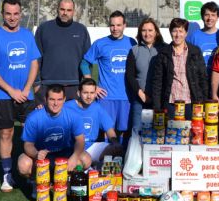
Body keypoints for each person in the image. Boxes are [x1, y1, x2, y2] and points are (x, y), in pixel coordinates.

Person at [0, 0, 40, 193]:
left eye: (16, 14)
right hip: (2, 95)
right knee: (6, 133)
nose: (12, 17)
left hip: (25, 94)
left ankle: (32, 175)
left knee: (32, 134)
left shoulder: (27, 35)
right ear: (3, 14)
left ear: (20, 14)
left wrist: (26, 89)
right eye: (8, 14)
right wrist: (11, 90)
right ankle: (7, 175)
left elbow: (34, 64)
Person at [81, 11, 136, 145]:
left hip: (127, 96)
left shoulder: (131, 42)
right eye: (112, 25)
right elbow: (84, 63)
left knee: (124, 130)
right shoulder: (100, 43)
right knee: (107, 129)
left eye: (118, 25)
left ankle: (121, 159)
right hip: (107, 96)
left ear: (124, 25)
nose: (115, 28)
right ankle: (106, 159)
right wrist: (93, 86)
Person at [18, 85, 91, 179]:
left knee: (86, 159)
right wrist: (36, 154)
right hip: (43, 155)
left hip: (66, 153)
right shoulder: (33, 118)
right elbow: (28, 145)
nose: (56, 103)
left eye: (59, 99)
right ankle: (36, 182)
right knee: (23, 165)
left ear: (64, 99)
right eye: (52, 99)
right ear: (45, 99)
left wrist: (75, 156)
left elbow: (80, 140)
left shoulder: (73, 116)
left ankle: (66, 180)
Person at [34, 0, 91, 104]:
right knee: (48, 120)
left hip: (73, 86)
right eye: (62, 9)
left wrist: (85, 84)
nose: (65, 13)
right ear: (57, 9)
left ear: (74, 11)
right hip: (48, 85)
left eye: (69, 10)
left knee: (71, 120)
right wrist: (37, 84)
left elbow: (87, 60)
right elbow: (35, 58)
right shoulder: (44, 28)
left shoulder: (81, 30)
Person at [152, 18, 208, 119]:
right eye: (174, 31)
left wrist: (204, 104)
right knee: (171, 133)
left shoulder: (195, 51)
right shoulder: (163, 53)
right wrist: (157, 107)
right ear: (170, 32)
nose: (177, 35)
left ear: (186, 33)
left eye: (181, 31)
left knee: (193, 132)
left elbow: (202, 79)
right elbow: (157, 82)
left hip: (191, 103)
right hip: (170, 104)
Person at [64, 78, 121, 163]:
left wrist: (115, 142)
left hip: (91, 147)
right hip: (73, 148)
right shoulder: (67, 107)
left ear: (95, 94)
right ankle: (87, 166)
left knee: (116, 148)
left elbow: (109, 129)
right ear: (79, 93)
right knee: (82, 161)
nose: (89, 96)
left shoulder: (97, 107)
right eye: (85, 93)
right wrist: (41, 107)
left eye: (92, 93)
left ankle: (93, 165)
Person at [125, 18, 165, 133]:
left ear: (156, 32)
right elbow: (130, 75)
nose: (147, 34)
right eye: (144, 30)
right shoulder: (134, 50)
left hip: (160, 99)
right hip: (139, 99)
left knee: (159, 132)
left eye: (150, 30)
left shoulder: (164, 49)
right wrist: (140, 94)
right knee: (137, 130)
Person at [187, 1, 219, 72]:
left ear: (217, 17)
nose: (210, 18)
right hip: (200, 79)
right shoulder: (193, 36)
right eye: (207, 15)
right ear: (202, 17)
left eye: (213, 15)